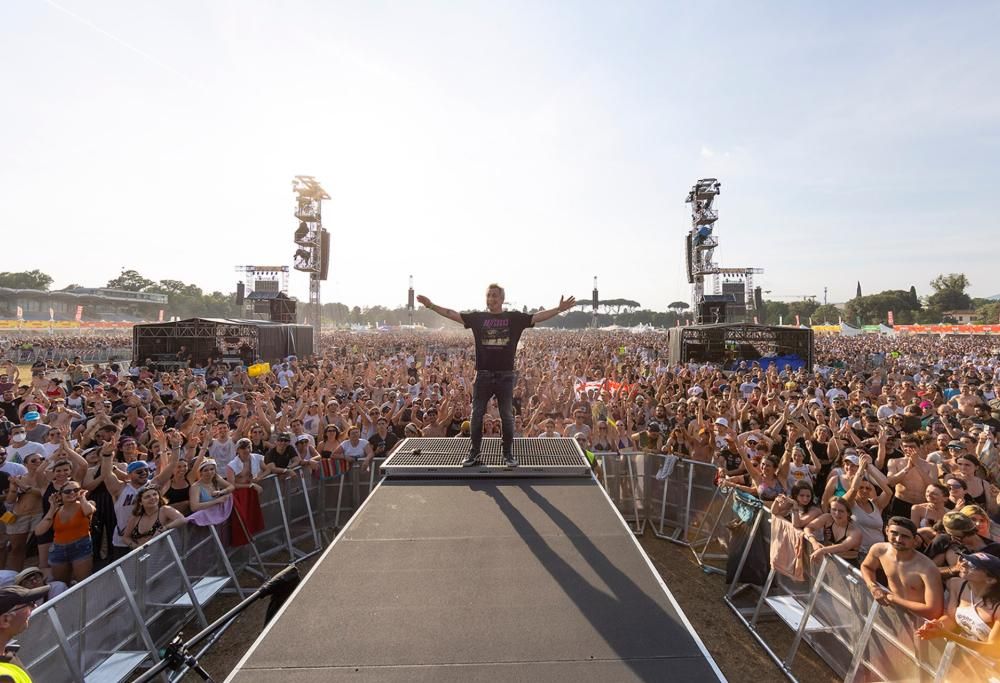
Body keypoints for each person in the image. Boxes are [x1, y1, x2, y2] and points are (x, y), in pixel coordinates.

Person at [417, 284, 575, 467]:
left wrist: (558, 309)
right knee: (476, 415)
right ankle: (474, 453)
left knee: (507, 416)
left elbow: (536, 317)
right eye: (488, 295)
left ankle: (507, 454)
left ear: (501, 299)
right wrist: (431, 305)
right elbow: (452, 314)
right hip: (483, 374)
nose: (490, 298)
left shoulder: (513, 318)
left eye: (494, 295)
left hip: (505, 376)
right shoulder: (478, 318)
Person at [917, 552, 1000, 658]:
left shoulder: (997, 608)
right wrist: (937, 625)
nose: (964, 564)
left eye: (972, 565)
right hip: (970, 658)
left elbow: (993, 649)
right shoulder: (956, 585)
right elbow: (951, 618)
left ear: (990, 580)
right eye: (964, 560)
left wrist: (946, 634)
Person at [860, 516, 944, 620]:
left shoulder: (927, 568)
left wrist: (893, 599)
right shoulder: (879, 550)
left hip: (920, 621)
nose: (898, 539)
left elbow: (933, 611)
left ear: (915, 539)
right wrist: (873, 586)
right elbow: (867, 567)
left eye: (905, 536)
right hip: (894, 615)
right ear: (886, 530)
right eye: (894, 533)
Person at [32, 482, 94, 584]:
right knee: (61, 585)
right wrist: (52, 508)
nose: (72, 493)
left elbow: (88, 511)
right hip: (59, 550)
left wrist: (82, 497)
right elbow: (38, 531)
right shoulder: (56, 511)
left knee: (83, 583)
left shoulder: (86, 504)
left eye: (76, 490)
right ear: (60, 495)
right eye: (67, 491)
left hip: (81, 547)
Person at [0, 584, 50, 681]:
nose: (35, 606)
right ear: (5, 620)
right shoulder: (3, 678)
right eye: (29, 604)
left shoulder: (6, 654)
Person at [121, 486, 185, 549]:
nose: (152, 498)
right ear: (140, 502)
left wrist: (165, 528)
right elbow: (125, 537)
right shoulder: (135, 517)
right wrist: (136, 548)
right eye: (147, 497)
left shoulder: (165, 510)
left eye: (155, 494)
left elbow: (182, 519)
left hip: (164, 553)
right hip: (143, 555)